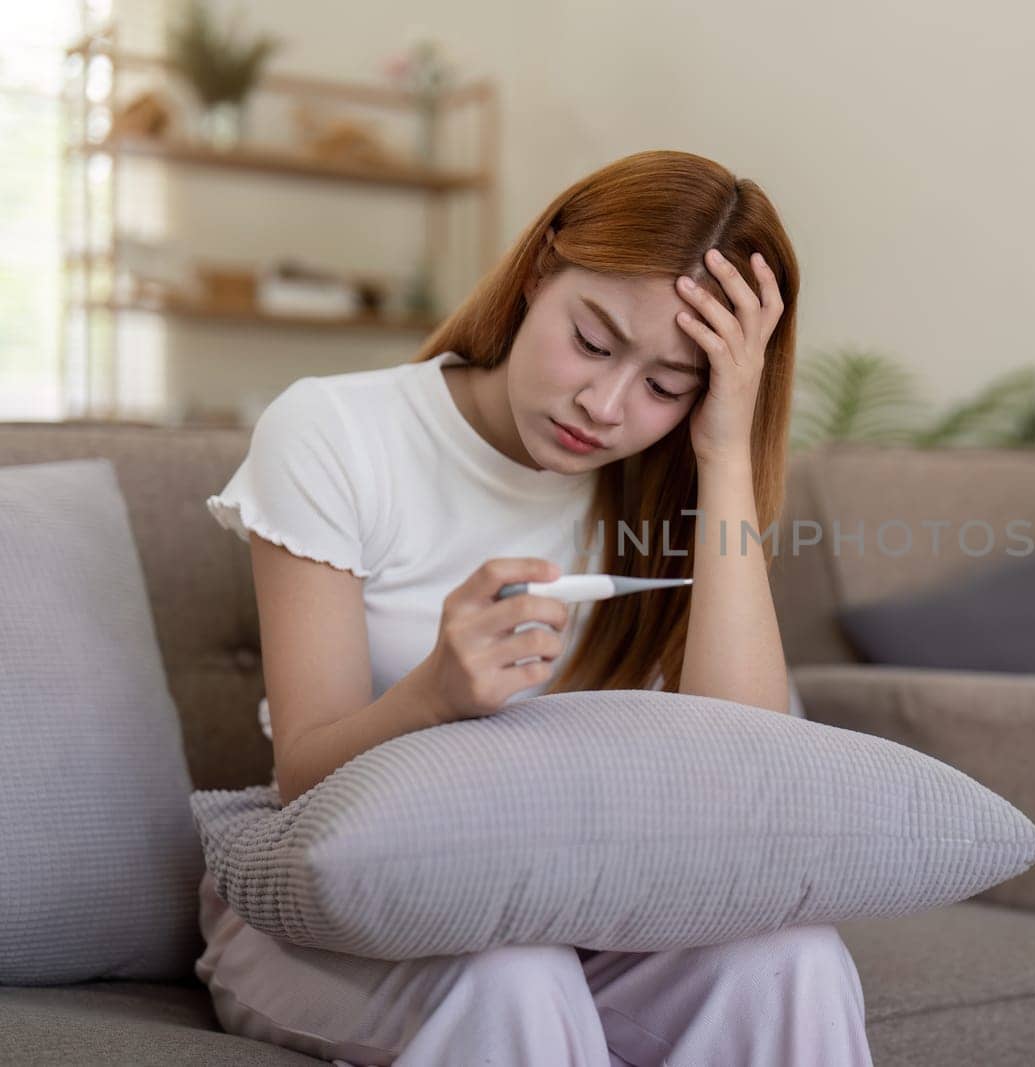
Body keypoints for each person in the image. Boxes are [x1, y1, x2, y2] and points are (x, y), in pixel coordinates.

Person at [195, 149, 873, 1066]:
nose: (604, 403)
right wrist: (434, 692)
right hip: (330, 909)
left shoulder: (669, 491)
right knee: (512, 976)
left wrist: (722, 452)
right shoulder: (336, 432)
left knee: (795, 960)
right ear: (539, 271)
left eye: (667, 385)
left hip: (576, 907)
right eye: (592, 341)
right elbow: (303, 779)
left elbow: (748, 767)